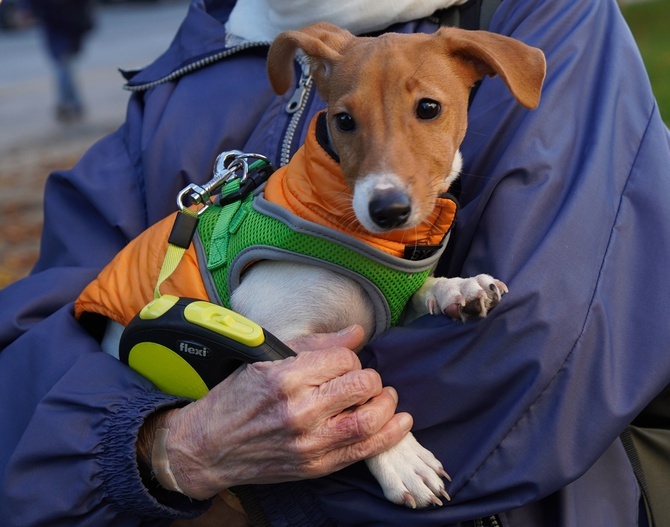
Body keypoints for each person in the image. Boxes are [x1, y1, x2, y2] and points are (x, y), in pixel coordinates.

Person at [1, 0, 669, 525]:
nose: (386, 167)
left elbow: (539, 350)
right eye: (347, 123)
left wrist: (254, 470)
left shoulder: (545, 17)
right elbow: (37, 350)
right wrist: (158, 449)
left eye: (426, 112)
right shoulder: (198, 54)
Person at [28, 0, 95, 121]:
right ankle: (70, 103)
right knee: (63, 63)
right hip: (61, 22)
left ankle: (70, 103)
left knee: (63, 63)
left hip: (67, 22)